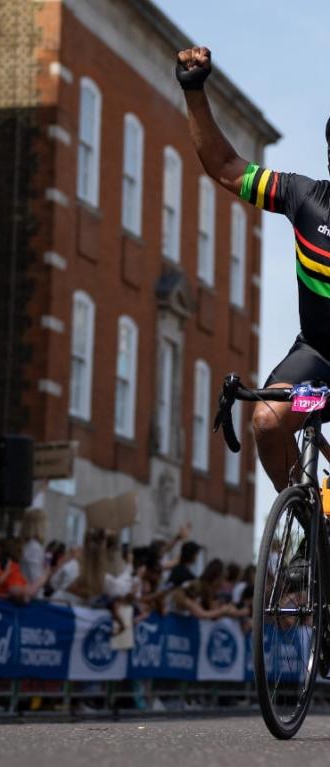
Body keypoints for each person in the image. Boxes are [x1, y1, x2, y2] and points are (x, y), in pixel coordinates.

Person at [177, 46, 330, 491]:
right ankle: (308, 528)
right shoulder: (305, 197)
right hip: (318, 356)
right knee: (266, 422)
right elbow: (225, 167)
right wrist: (193, 91)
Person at [20, 508, 47, 597]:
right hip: (33, 598)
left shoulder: (29, 545)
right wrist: (47, 573)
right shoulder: (34, 547)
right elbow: (35, 579)